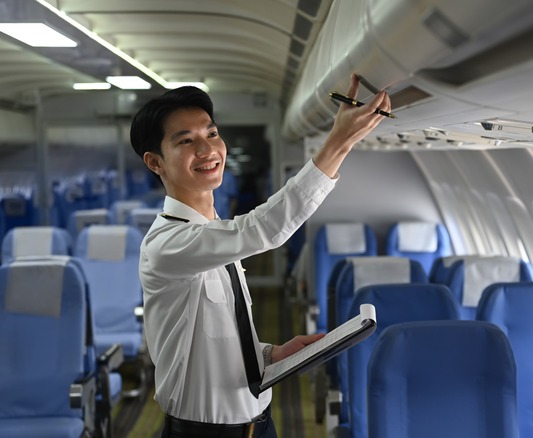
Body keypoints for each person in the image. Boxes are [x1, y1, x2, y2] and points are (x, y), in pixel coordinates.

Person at [129, 74, 390, 437]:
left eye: (212, 134)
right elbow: (264, 229)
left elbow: (218, 333)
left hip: (260, 423)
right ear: (155, 162)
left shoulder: (214, 230)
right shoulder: (168, 244)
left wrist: (269, 355)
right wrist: (339, 141)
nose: (207, 150)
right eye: (186, 141)